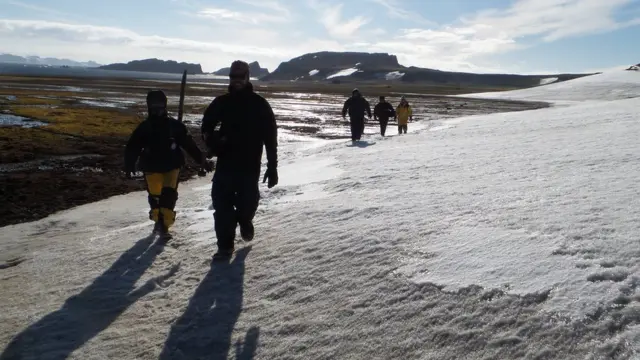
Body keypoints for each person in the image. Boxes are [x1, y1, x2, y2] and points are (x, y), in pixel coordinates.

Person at [201, 60, 278, 260]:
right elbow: (206, 126)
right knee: (222, 208)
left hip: (249, 168)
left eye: (240, 77)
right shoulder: (221, 103)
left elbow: (270, 137)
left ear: (247, 78)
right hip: (225, 165)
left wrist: (272, 166)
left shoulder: (259, 105)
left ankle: (245, 221)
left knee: (247, 206)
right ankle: (225, 247)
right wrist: (212, 139)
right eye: (232, 77)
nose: (236, 81)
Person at [124, 90, 210, 239]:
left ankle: (164, 226)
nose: (157, 110)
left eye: (160, 106)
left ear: (165, 106)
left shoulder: (175, 126)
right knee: (155, 197)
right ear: (149, 107)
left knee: (169, 196)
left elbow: (189, 145)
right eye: (154, 106)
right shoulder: (144, 128)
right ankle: (158, 222)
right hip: (151, 167)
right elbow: (133, 146)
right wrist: (129, 164)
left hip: (172, 165)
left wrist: (202, 161)